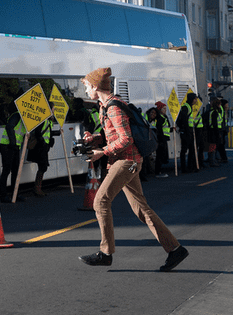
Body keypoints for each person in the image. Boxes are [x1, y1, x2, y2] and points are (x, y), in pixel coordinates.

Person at [78, 67, 188, 271]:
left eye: (86, 87)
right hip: (126, 161)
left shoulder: (113, 107)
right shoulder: (105, 106)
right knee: (141, 209)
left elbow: (126, 139)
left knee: (100, 201)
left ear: (95, 86)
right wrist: (95, 139)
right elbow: (114, 134)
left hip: (127, 162)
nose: (85, 91)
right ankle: (175, 249)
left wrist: (102, 152)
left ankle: (106, 253)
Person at [0, 106, 27, 202]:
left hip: (15, 147)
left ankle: (15, 194)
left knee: (15, 171)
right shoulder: (17, 115)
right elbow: (9, 127)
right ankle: (3, 195)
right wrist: (13, 142)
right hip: (7, 146)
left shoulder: (25, 119)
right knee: (6, 170)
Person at [26, 115, 55, 197]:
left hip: (43, 147)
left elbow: (47, 132)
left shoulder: (48, 121)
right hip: (40, 147)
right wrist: (43, 142)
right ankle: (37, 188)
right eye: (52, 109)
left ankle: (38, 188)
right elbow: (38, 132)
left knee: (43, 166)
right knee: (43, 166)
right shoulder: (44, 120)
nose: (53, 111)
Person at [177, 93, 198, 173]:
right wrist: (187, 130)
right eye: (195, 99)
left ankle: (190, 166)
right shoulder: (186, 107)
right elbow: (185, 120)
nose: (196, 100)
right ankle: (184, 168)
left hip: (189, 130)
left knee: (191, 149)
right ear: (191, 99)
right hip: (186, 131)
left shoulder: (189, 106)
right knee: (184, 150)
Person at [153, 102, 170, 177]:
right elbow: (159, 129)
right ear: (160, 109)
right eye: (164, 108)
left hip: (164, 138)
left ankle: (159, 171)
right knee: (159, 156)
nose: (165, 110)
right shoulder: (160, 118)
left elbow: (166, 128)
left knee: (162, 155)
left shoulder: (164, 117)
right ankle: (158, 172)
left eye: (166, 109)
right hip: (161, 139)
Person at [216, 99, 229, 163]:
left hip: (221, 130)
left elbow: (223, 121)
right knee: (221, 145)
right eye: (226, 104)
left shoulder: (222, 110)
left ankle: (223, 158)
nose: (227, 106)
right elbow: (223, 121)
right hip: (222, 129)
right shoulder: (222, 110)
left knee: (220, 145)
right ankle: (222, 158)